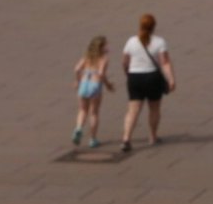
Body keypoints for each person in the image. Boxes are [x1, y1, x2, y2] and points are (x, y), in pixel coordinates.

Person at [121, 13, 175, 152]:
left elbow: (125, 62)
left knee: (133, 110)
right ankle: (152, 136)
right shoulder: (159, 42)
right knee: (154, 108)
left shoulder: (131, 41)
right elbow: (165, 63)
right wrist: (171, 79)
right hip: (152, 77)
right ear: (153, 27)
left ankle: (126, 138)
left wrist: (128, 73)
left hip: (135, 77)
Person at [73, 35, 115, 148]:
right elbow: (101, 74)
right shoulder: (103, 59)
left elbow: (77, 69)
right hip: (94, 85)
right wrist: (108, 85)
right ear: (101, 47)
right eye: (106, 44)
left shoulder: (86, 57)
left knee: (82, 110)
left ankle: (78, 129)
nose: (108, 46)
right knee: (94, 113)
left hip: (84, 83)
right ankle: (92, 139)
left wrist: (77, 81)